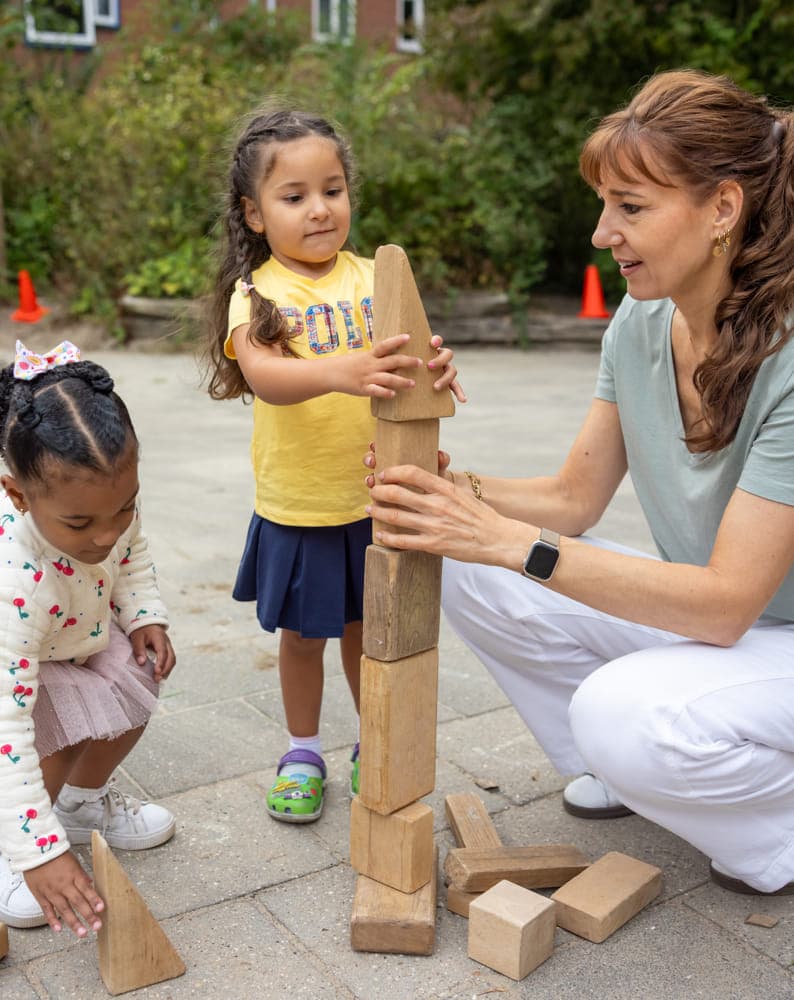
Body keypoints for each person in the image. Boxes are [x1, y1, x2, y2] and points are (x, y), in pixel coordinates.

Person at [365, 69, 794, 895]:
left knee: (619, 710)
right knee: (457, 554)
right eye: (606, 206)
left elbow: (726, 601)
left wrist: (507, 538)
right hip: (726, 635)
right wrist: (451, 488)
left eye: (631, 207)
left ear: (723, 209)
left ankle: (771, 835)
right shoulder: (640, 322)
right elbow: (573, 501)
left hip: (759, 630)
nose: (603, 235)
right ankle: (633, 774)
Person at [205, 108, 464, 824]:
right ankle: (302, 749)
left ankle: (370, 738)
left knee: (365, 628)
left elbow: (406, 357)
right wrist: (341, 370)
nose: (320, 210)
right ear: (255, 214)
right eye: (295, 197)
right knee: (302, 636)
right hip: (299, 504)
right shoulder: (257, 293)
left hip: (372, 497)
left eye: (333, 189)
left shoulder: (373, 277)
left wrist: (435, 368)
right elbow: (265, 377)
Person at [0, 341, 177, 935]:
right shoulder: (15, 580)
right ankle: (18, 850)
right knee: (49, 735)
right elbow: (7, 732)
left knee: (134, 686)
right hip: (20, 661)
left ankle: (80, 805)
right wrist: (37, 856)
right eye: (79, 524)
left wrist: (145, 612)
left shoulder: (106, 505)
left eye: (123, 509)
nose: (106, 535)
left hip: (80, 635)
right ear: (18, 495)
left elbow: (131, 554)